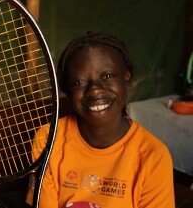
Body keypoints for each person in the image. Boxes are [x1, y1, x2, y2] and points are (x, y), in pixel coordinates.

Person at [26, 32, 175, 207]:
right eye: (79, 82)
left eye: (107, 76)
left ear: (126, 77)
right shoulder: (48, 139)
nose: (95, 90)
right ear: (67, 90)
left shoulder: (154, 156)